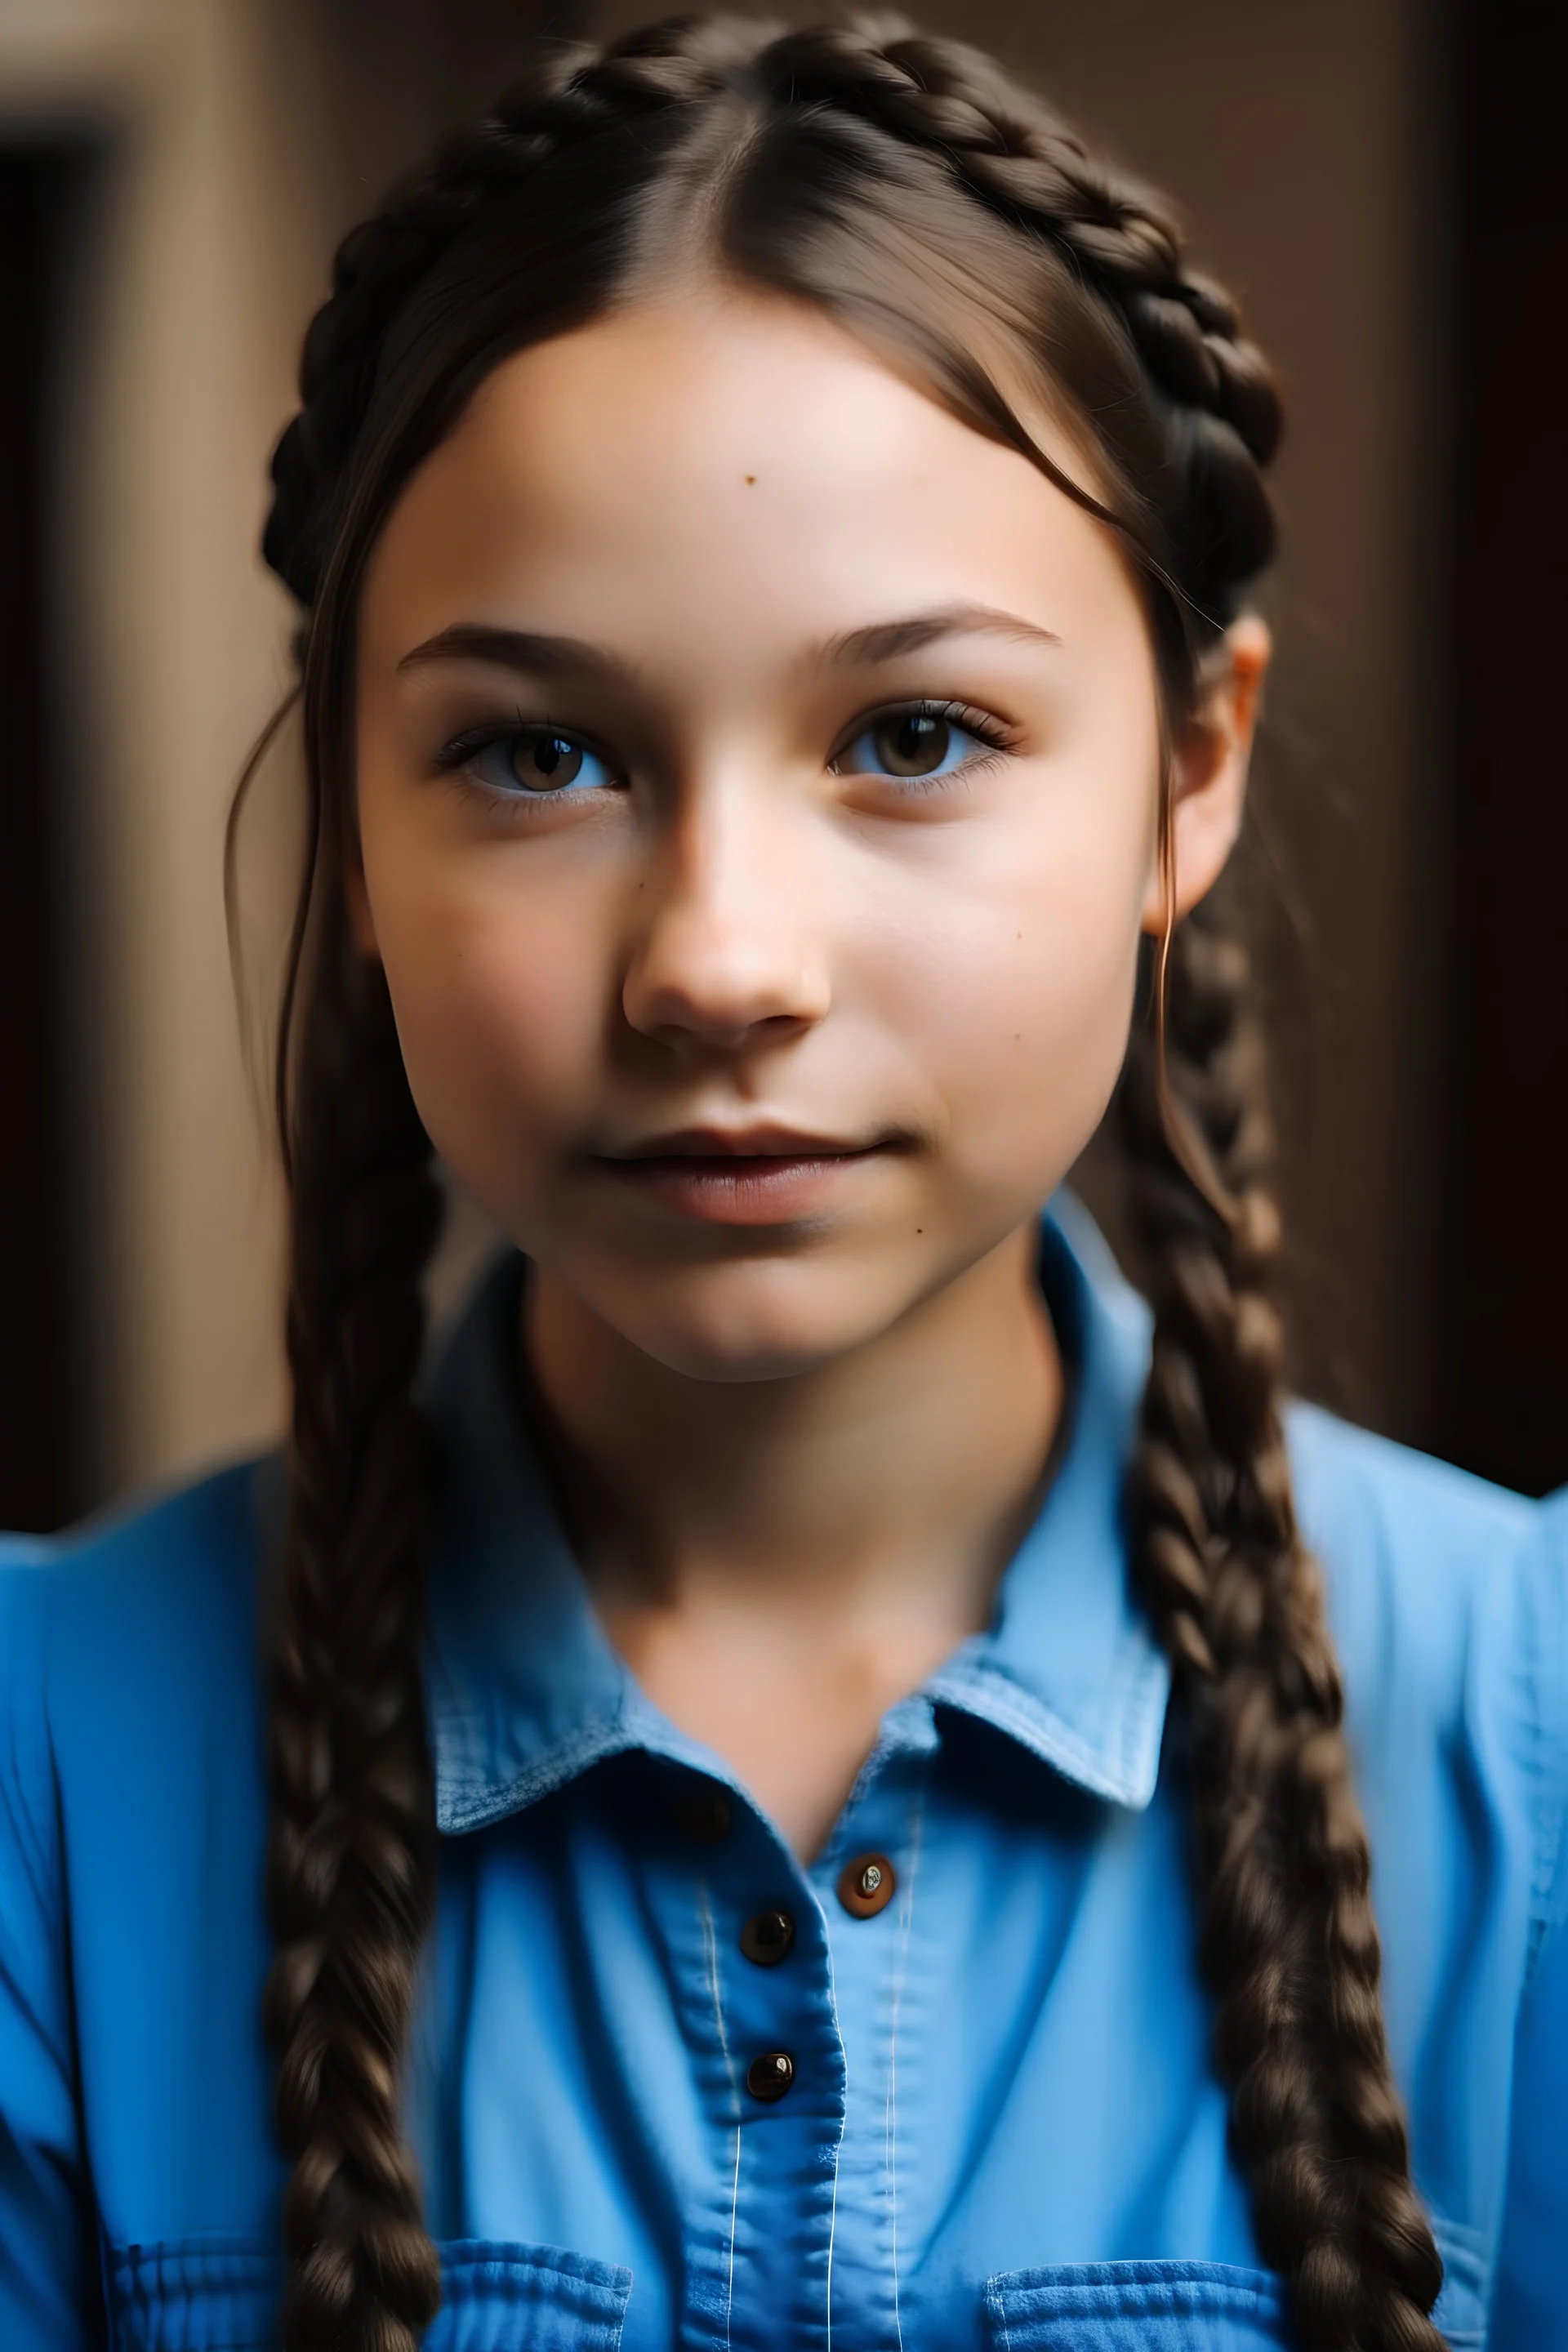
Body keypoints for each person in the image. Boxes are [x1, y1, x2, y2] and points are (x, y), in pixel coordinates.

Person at [1, 15, 1562, 2350]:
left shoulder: (1528, 1732)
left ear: (1192, 770)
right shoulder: (41, 1768)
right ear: (351, 803)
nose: (721, 962)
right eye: (539, 754)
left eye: (917, 736)